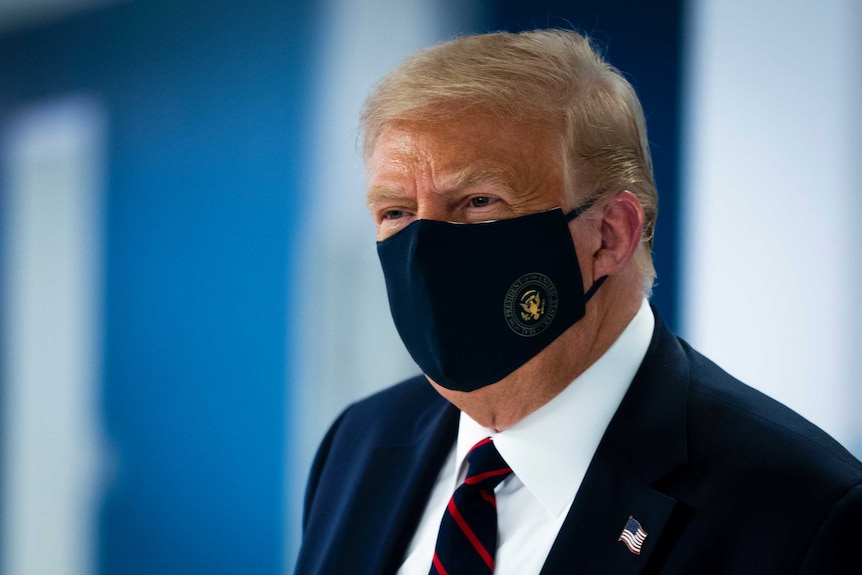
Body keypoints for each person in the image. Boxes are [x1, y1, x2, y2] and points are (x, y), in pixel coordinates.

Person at [295, 29, 862, 574]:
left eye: (479, 201)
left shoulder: (804, 512)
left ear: (609, 235)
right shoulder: (360, 444)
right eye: (396, 212)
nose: (423, 251)